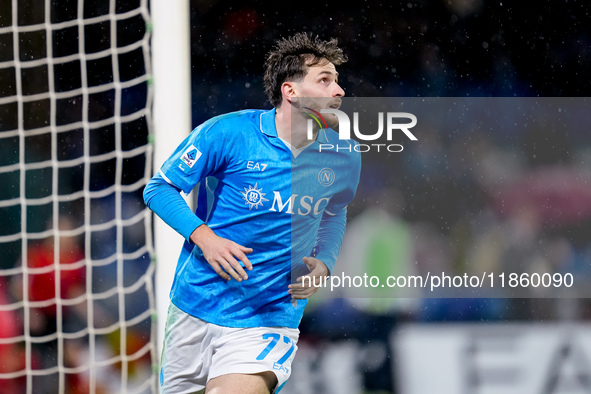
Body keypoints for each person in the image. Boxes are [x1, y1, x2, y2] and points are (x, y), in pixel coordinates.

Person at [144, 32, 361, 394]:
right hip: (196, 303)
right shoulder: (229, 133)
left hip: (269, 316)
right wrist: (206, 238)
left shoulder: (343, 155)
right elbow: (159, 188)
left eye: (337, 81)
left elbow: (333, 212)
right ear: (291, 91)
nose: (338, 90)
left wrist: (325, 260)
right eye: (325, 80)